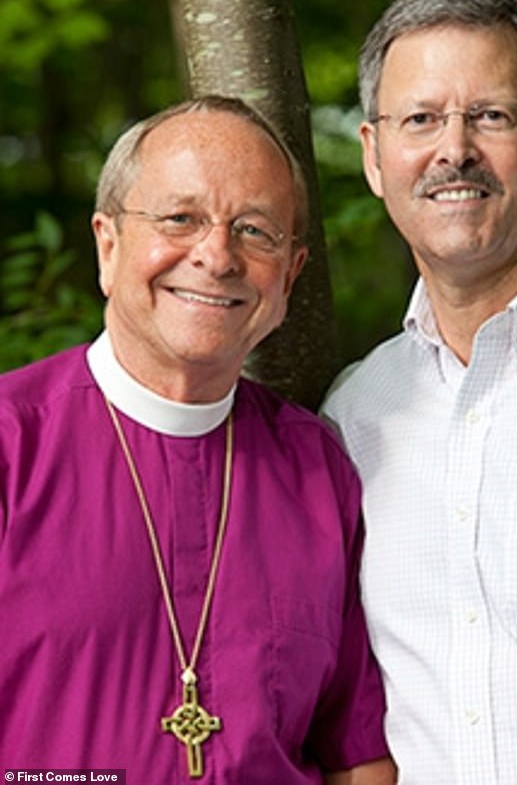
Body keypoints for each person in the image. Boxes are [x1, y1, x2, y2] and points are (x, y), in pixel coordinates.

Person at [0, 94, 396, 785]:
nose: (216, 256)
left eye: (255, 231)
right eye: (180, 218)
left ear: (291, 276)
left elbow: (357, 752)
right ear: (109, 243)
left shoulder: (318, 468)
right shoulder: (11, 445)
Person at [322, 0, 517, 785]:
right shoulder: (355, 416)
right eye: (420, 119)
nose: (452, 149)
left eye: (491, 116)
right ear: (373, 157)